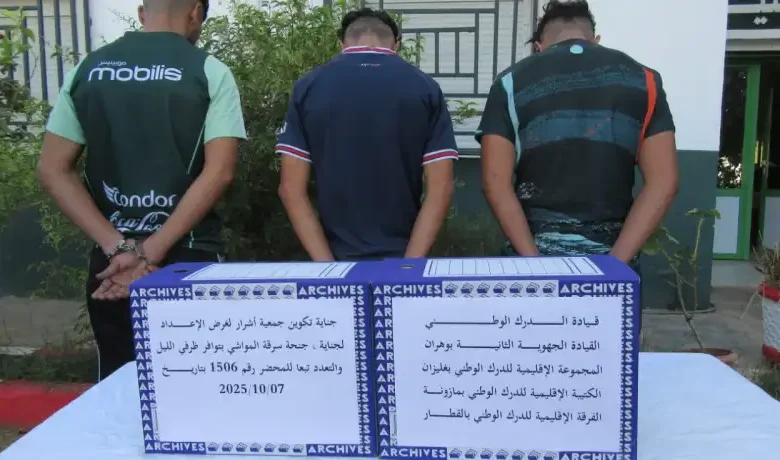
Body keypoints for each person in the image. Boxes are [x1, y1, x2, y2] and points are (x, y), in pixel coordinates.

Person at [37, 0, 246, 379]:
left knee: (120, 384)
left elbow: (52, 170)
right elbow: (220, 172)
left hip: (113, 266)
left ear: (141, 13)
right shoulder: (208, 71)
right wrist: (151, 251)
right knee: (198, 382)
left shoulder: (88, 69)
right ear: (195, 13)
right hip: (188, 254)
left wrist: (119, 247)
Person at [477, 0, 678, 264]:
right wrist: (615, 264)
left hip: (531, 261)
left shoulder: (509, 83)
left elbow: (494, 182)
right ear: (595, 40)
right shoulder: (646, 81)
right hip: (614, 262)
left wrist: (534, 263)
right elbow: (664, 181)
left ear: (538, 46)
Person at [276, 8, 458, 261]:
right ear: (396, 44)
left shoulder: (308, 87)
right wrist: (408, 267)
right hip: (403, 253)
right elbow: (441, 188)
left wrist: (327, 267)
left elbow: (290, 190)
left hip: (334, 257)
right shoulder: (425, 88)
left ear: (342, 43)